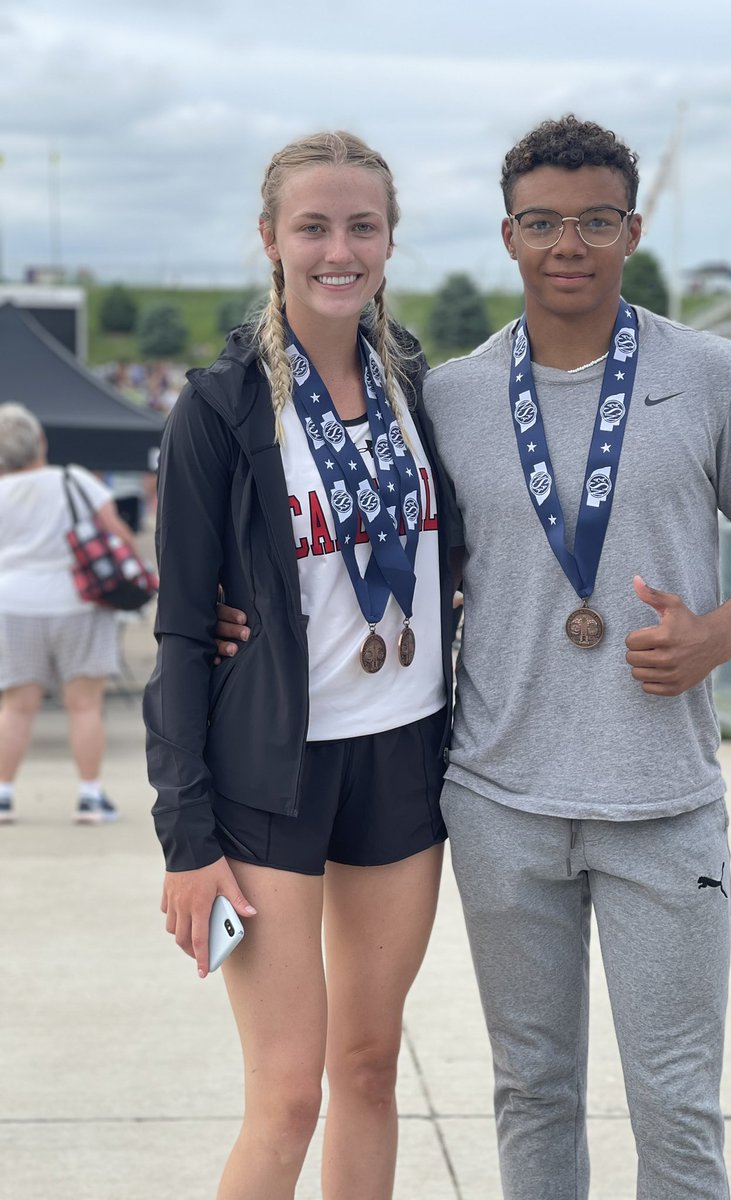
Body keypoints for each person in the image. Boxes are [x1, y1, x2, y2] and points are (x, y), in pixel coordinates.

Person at [419, 116, 731, 1200]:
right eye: (543, 221)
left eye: (596, 219)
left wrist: (718, 636)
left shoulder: (714, 372)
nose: (569, 243)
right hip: (501, 799)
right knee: (533, 1093)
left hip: (662, 799)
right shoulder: (451, 396)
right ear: (508, 235)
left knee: (677, 1106)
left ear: (632, 229)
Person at [143, 131, 454, 1200]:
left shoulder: (415, 382)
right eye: (313, 226)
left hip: (404, 752)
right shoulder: (223, 405)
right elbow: (184, 630)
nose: (338, 248)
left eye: (361, 225)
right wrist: (186, 838)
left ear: (389, 241)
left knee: (369, 1069)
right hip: (272, 774)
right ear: (270, 240)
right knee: (287, 1096)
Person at [0, 402, 131, 824]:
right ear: (41, 441)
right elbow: (116, 531)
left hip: (13, 604)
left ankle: (3, 795)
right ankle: (90, 797)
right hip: (80, 602)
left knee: (17, 706)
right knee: (84, 705)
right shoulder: (73, 479)